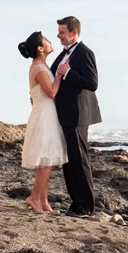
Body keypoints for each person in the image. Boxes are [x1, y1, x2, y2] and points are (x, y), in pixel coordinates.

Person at [49, 16, 101, 218]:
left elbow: (92, 83)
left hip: (79, 115)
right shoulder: (63, 54)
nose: (58, 35)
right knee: (69, 161)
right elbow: (54, 78)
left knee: (79, 160)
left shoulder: (85, 53)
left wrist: (68, 71)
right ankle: (75, 204)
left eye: (62, 32)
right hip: (64, 114)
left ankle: (87, 207)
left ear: (74, 33)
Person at [18, 31, 67, 214]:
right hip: (45, 114)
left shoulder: (41, 65)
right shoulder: (38, 67)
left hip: (47, 112)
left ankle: (43, 200)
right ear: (40, 48)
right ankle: (34, 197)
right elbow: (51, 93)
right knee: (46, 160)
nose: (50, 41)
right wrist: (61, 74)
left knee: (49, 159)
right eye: (46, 40)